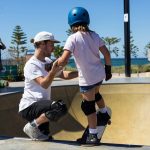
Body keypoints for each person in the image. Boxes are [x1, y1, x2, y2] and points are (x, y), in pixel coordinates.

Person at [57, 7, 112, 145]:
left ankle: (93, 135)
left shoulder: (72, 38)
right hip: (99, 75)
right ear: (87, 21)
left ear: (71, 24)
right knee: (96, 94)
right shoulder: (95, 35)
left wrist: (53, 65)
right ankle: (104, 112)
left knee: (87, 107)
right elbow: (107, 54)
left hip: (87, 78)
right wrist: (109, 70)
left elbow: (63, 60)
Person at [18, 31, 78, 141]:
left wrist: (82, 73)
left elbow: (64, 75)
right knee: (60, 106)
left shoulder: (47, 61)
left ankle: (34, 126)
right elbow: (44, 84)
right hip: (29, 106)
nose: (53, 48)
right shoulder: (31, 65)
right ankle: (31, 126)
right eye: (51, 45)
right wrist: (53, 70)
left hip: (43, 108)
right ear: (42, 44)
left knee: (46, 139)